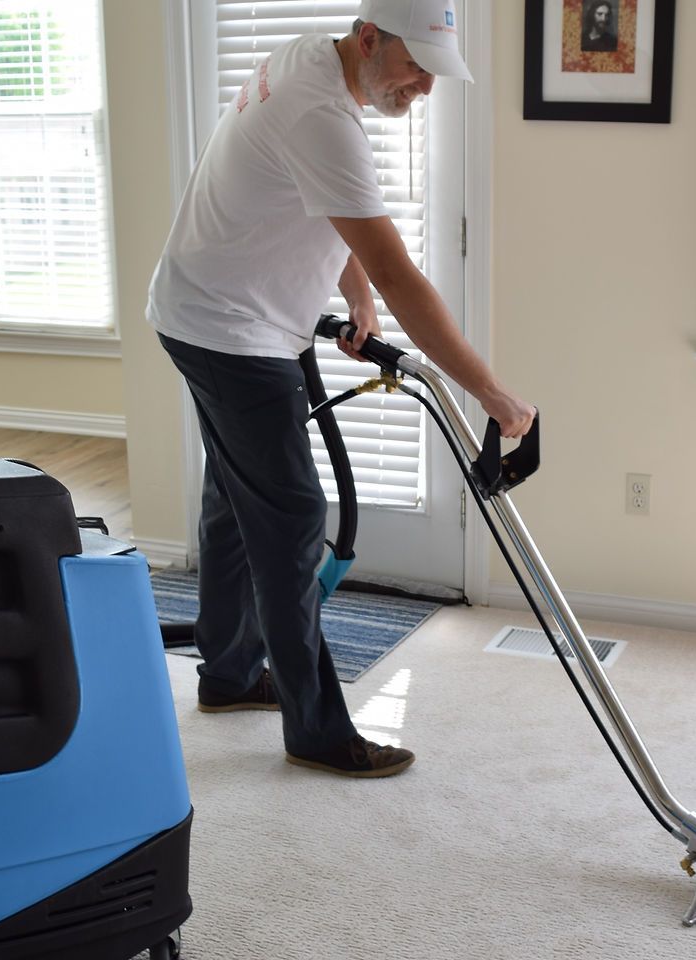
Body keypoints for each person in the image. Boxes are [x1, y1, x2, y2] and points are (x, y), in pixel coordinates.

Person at [147, 0, 534, 780]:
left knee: (234, 501)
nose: (422, 87)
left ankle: (225, 674)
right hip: (230, 329)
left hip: (215, 309)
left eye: (434, 73)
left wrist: (354, 297)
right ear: (367, 37)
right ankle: (317, 729)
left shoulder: (306, 57)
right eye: (414, 66)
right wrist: (495, 397)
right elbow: (400, 272)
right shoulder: (319, 111)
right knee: (290, 519)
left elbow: (327, 216)